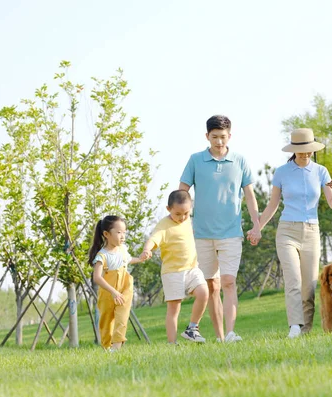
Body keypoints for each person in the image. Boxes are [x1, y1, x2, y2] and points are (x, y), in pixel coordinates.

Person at [253, 128, 332, 338]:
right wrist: (257, 226)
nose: (305, 154)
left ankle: (305, 329)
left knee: (309, 286)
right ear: (293, 150)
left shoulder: (321, 171)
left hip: (312, 231)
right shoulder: (281, 172)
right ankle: (294, 326)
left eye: (308, 150)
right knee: (293, 279)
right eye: (300, 151)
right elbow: (273, 205)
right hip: (287, 230)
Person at [179, 115, 261, 343]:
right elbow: (182, 193)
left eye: (223, 137)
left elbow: (250, 195)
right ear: (207, 136)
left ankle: (231, 332)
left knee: (228, 281)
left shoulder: (240, 161)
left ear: (230, 136)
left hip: (231, 232)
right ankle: (220, 336)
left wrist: (256, 224)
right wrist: (182, 223)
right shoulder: (195, 160)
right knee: (211, 286)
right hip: (202, 234)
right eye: (214, 137)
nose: (219, 142)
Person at [139, 190, 209, 344]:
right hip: (172, 272)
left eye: (186, 213)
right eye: (178, 214)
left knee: (204, 292)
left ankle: (192, 328)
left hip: (191, 268)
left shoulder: (188, 220)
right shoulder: (163, 226)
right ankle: (172, 343)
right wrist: (146, 249)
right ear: (168, 209)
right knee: (174, 308)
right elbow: (153, 239)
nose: (182, 217)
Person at [88, 215, 142, 352]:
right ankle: (107, 347)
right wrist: (113, 292)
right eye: (119, 233)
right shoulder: (102, 255)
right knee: (106, 322)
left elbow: (127, 260)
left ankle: (117, 346)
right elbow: (97, 277)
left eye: (124, 232)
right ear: (106, 234)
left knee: (122, 318)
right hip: (108, 292)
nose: (123, 236)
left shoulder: (123, 249)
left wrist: (140, 259)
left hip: (125, 288)